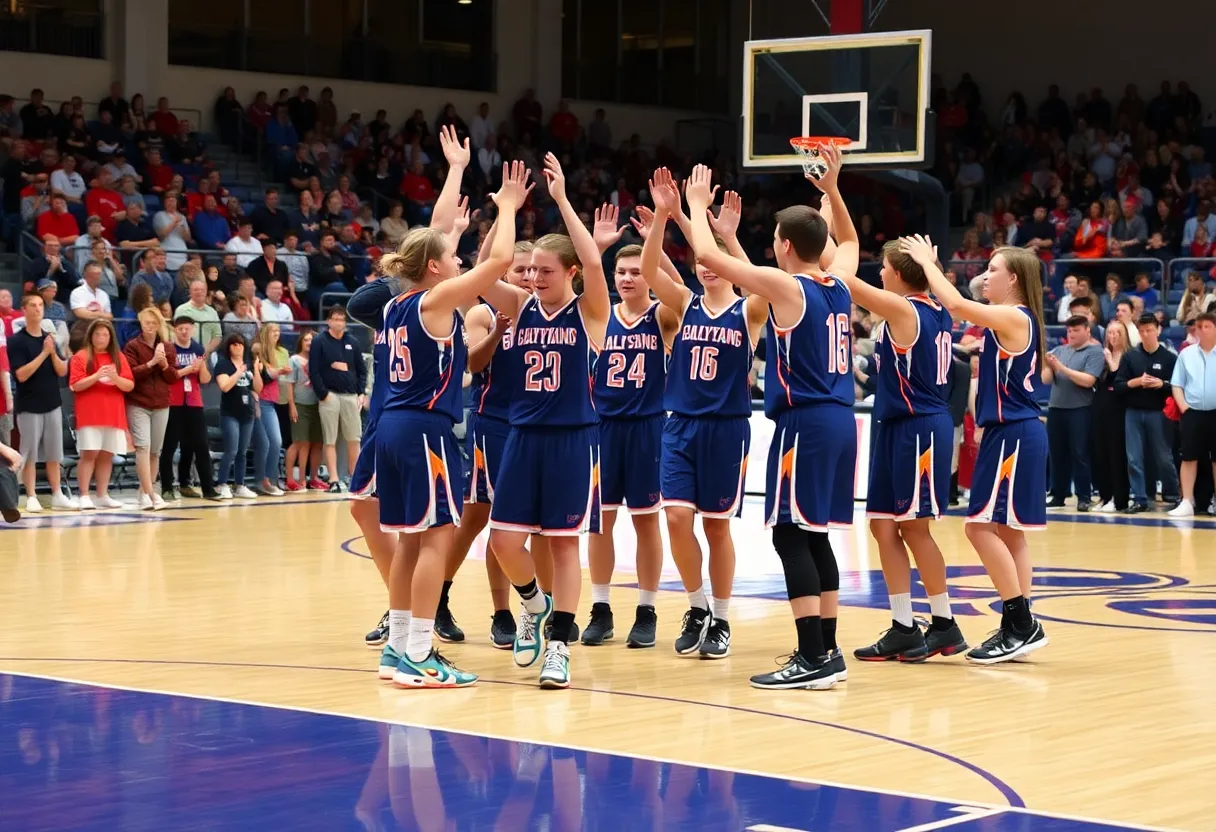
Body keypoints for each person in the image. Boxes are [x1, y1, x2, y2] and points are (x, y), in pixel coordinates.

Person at [679, 152, 856, 687]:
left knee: (788, 535)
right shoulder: (838, 283)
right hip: (841, 420)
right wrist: (836, 189)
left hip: (806, 423)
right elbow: (846, 242)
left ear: (782, 245)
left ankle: (813, 657)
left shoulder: (792, 287)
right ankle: (827, 651)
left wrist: (695, 205)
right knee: (816, 535)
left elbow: (711, 256)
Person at [370, 158, 529, 689]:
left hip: (393, 426)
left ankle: (396, 650)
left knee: (410, 542)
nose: (460, 261)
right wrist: (506, 207)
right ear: (434, 268)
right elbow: (502, 259)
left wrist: (452, 225)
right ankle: (418, 653)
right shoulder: (436, 300)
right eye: (454, 256)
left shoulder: (396, 307)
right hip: (424, 430)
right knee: (437, 538)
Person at [484, 153, 610, 690]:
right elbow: (489, 269)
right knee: (504, 541)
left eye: (545, 270)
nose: (534, 277)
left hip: (573, 440)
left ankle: (559, 643)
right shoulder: (519, 302)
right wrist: (509, 208)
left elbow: (597, 266)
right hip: (521, 436)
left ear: (570, 274)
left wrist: (561, 200)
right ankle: (534, 605)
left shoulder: (590, 312)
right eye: (531, 269)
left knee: (563, 544)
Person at [348, 127, 474, 649]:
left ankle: (413, 613)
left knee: (418, 531)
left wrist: (456, 171)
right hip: (394, 416)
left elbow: (438, 234)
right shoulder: (391, 298)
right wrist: (456, 172)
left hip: (410, 416)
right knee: (367, 509)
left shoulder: (433, 298)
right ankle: (403, 610)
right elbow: (435, 233)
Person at [642, 171, 758, 664]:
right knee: (675, 517)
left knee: (716, 528)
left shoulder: (749, 311)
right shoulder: (686, 304)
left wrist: (728, 238)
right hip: (680, 425)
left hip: (727, 429)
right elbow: (649, 272)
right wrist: (666, 217)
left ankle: (724, 617)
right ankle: (696, 606)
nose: (708, 269)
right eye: (702, 263)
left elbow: (766, 287)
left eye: (717, 264)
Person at [835, 237, 968, 664]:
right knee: (882, 527)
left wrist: (833, 207)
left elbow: (844, 279)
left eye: (886, 267)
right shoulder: (929, 310)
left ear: (901, 274)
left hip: (920, 428)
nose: (880, 273)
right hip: (896, 426)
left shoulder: (907, 308)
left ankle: (945, 624)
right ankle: (903, 626)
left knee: (913, 529)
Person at [919, 237, 1051, 664]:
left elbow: (956, 306)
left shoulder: (1013, 316)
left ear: (1012, 278)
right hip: (1013, 430)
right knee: (1011, 533)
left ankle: (1020, 623)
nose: (985, 275)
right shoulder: (1013, 320)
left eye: (993, 269)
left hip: (1014, 433)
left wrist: (927, 263)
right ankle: (1021, 622)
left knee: (978, 528)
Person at [582, 231, 670, 650]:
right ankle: (600, 609)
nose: (628, 278)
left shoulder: (664, 316)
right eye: (622, 272)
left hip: (648, 428)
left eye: (637, 271)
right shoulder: (599, 314)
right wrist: (596, 250)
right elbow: (585, 277)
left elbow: (680, 290)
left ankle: (647, 610)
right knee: (600, 523)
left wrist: (659, 243)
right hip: (601, 427)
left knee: (646, 521)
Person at [7, 294, 74, 512]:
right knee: (30, 454)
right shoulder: (17, 341)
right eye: (33, 306)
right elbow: (22, 375)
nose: (38, 309)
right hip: (29, 405)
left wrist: (52, 352)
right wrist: (44, 353)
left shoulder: (50, 338)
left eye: (40, 306)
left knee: (55, 454)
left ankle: (57, 494)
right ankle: (32, 495)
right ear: (24, 310)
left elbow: (62, 370)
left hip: (52, 402)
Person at [1115, 314, 1179, 513]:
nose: (1145, 334)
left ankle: (1174, 494)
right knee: (1133, 458)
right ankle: (1140, 498)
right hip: (1133, 412)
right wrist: (1136, 382)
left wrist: (1162, 384)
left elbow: (1178, 387)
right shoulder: (1130, 356)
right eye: (1142, 331)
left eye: (1149, 330)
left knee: (1163, 457)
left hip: (1159, 413)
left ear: (1158, 330)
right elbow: (1118, 386)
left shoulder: (1169, 358)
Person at [69, 319, 135, 509]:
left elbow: (129, 385)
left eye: (105, 334)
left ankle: (102, 494)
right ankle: (83, 494)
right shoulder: (81, 357)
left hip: (113, 414)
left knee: (107, 454)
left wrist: (115, 378)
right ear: (91, 336)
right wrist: (96, 376)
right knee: (89, 453)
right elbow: (76, 384)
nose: (101, 338)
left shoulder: (118, 357)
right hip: (90, 413)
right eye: (97, 334)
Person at [1042, 316, 1106, 511]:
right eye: (1069, 331)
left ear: (1087, 331)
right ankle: (1058, 493)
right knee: (1056, 453)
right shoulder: (1060, 350)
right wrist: (1046, 365)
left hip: (1080, 408)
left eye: (1076, 330)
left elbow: (1088, 380)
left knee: (1080, 453)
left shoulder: (1095, 352)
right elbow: (1045, 380)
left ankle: (1084, 496)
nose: (1071, 334)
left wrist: (1061, 368)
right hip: (1056, 407)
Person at [122, 307, 178, 510]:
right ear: (141, 324)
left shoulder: (168, 347)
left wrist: (163, 365)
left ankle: (144, 492)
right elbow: (131, 373)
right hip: (139, 403)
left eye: (154, 323)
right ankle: (150, 494)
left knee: (155, 451)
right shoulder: (132, 346)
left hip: (162, 404)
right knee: (143, 448)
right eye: (147, 323)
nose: (151, 327)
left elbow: (173, 377)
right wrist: (152, 362)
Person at [309, 306, 366, 492]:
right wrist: (323, 394)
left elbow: (361, 370)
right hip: (330, 395)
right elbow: (314, 371)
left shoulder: (353, 342)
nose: (339, 322)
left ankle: (355, 478)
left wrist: (361, 392)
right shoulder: (320, 341)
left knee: (354, 439)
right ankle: (333, 479)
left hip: (350, 395)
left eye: (342, 319)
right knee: (330, 439)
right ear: (329, 321)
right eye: (335, 318)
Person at [161, 315, 218, 501]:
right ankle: (167, 487)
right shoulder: (168, 348)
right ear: (174, 330)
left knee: (199, 445)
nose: (184, 332)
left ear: (193, 329)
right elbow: (168, 376)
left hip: (194, 401)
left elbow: (205, 379)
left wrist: (200, 366)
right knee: (169, 445)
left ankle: (206, 488)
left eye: (187, 328)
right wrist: (186, 370)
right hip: (173, 401)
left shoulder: (198, 349)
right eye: (180, 329)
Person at [1167, 312, 1216, 517]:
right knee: (1188, 457)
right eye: (1199, 326)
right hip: (1192, 413)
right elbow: (1176, 383)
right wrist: (1184, 407)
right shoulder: (1186, 354)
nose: (1202, 330)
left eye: (1207, 326)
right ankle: (1187, 501)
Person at [213, 334, 262, 500]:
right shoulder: (223, 364)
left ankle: (240, 484)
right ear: (229, 347)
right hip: (230, 413)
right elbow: (225, 386)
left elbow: (257, 388)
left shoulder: (247, 366)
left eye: (240, 344)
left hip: (247, 413)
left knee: (242, 451)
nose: (238, 347)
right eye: (234, 344)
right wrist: (238, 372)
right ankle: (221, 484)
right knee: (231, 450)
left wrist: (255, 369)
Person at [1092, 321, 1131, 513]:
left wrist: (1112, 363)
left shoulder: (1129, 357)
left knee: (1117, 455)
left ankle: (1119, 498)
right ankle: (1104, 495)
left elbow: (1120, 383)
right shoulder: (1102, 356)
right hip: (1101, 408)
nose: (1113, 336)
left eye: (1117, 332)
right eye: (1110, 333)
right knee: (1101, 453)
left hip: (1119, 411)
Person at [252, 323, 289, 496]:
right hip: (261, 401)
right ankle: (264, 480)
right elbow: (264, 374)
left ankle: (269, 479)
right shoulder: (258, 349)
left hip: (271, 401)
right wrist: (279, 371)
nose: (277, 333)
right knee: (271, 442)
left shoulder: (276, 351)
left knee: (273, 442)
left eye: (278, 331)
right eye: (273, 330)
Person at [285, 331, 324, 492]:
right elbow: (289, 384)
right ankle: (293, 479)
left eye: (312, 340)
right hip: (300, 404)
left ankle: (313, 478)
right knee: (300, 442)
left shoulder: (319, 360)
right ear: (301, 342)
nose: (309, 342)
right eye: (306, 339)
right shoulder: (294, 360)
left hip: (318, 404)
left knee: (317, 442)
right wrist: (292, 405)